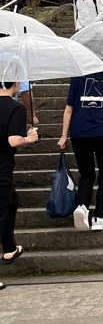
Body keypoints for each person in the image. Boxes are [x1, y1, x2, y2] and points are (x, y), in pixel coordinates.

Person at [57, 68, 103, 232]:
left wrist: (63, 136)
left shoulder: (77, 77)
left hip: (79, 133)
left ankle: (82, 206)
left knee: (86, 173)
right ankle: (99, 217)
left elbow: (69, 109)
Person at [0, 80, 38, 289]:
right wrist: (30, 137)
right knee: (3, 211)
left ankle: (9, 248)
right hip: (2, 169)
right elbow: (14, 140)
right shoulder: (16, 108)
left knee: (11, 203)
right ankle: (7, 248)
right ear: (15, 83)